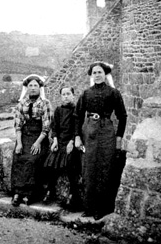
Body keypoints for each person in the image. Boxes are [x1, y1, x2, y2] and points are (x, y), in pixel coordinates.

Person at [74, 61, 127, 220]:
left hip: (106, 133)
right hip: (89, 132)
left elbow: (122, 116)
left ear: (105, 74)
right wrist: (77, 136)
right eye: (94, 73)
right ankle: (89, 207)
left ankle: (102, 208)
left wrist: (118, 138)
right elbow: (77, 115)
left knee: (105, 167)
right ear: (91, 75)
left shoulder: (113, 93)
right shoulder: (86, 93)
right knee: (89, 168)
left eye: (100, 72)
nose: (97, 75)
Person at [11, 74, 52, 206]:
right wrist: (19, 143)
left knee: (33, 159)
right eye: (30, 86)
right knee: (18, 158)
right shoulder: (22, 103)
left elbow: (46, 126)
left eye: (35, 86)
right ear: (27, 88)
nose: (33, 88)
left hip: (39, 137)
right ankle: (17, 192)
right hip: (24, 137)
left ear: (40, 88)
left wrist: (38, 142)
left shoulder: (45, 104)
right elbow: (18, 124)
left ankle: (30, 194)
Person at [43, 87, 82, 210]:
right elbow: (54, 128)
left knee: (70, 164)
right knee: (50, 163)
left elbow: (77, 128)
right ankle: (50, 190)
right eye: (63, 94)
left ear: (73, 96)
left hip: (71, 141)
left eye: (68, 94)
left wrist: (71, 141)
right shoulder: (59, 110)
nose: (66, 96)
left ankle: (73, 194)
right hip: (59, 142)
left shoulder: (76, 110)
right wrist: (54, 140)